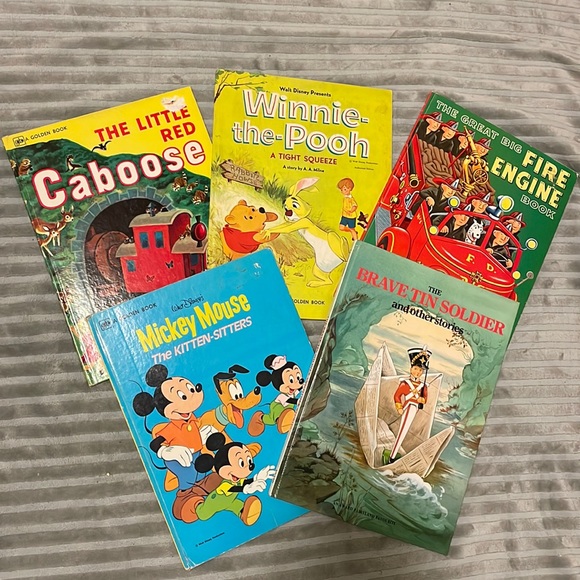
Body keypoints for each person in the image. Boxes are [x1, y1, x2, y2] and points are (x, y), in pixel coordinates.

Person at [387, 346, 431, 465]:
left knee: (404, 431)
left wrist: (422, 400)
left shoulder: (424, 386)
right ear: (411, 369)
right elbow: (397, 396)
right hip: (408, 407)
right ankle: (392, 456)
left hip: (415, 408)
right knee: (403, 431)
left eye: (420, 370)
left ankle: (393, 455)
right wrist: (399, 407)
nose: (418, 372)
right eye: (416, 369)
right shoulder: (405, 383)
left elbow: (425, 399)